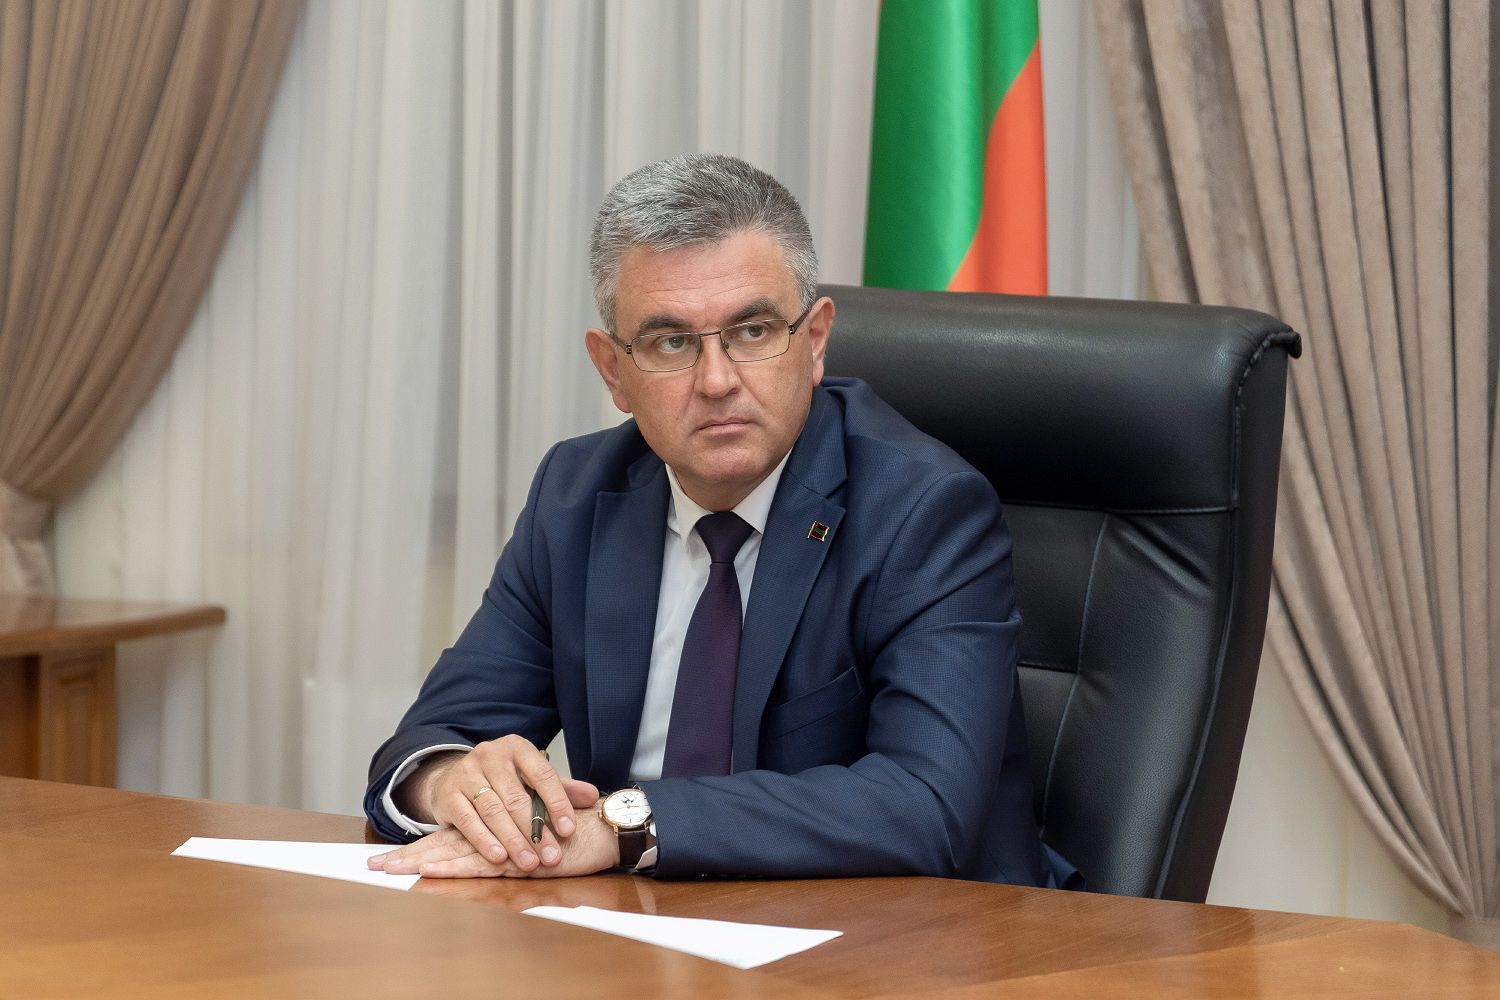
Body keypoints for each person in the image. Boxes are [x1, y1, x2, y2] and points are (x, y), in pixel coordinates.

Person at [365, 153, 1067, 887]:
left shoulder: (924, 510)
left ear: (815, 340)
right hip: (637, 925)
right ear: (613, 371)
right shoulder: (576, 496)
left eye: (754, 331)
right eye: (671, 343)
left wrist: (626, 826)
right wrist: (453, 783)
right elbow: (433, 739)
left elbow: (925, 806)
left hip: (912, 933)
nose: (718, 380)